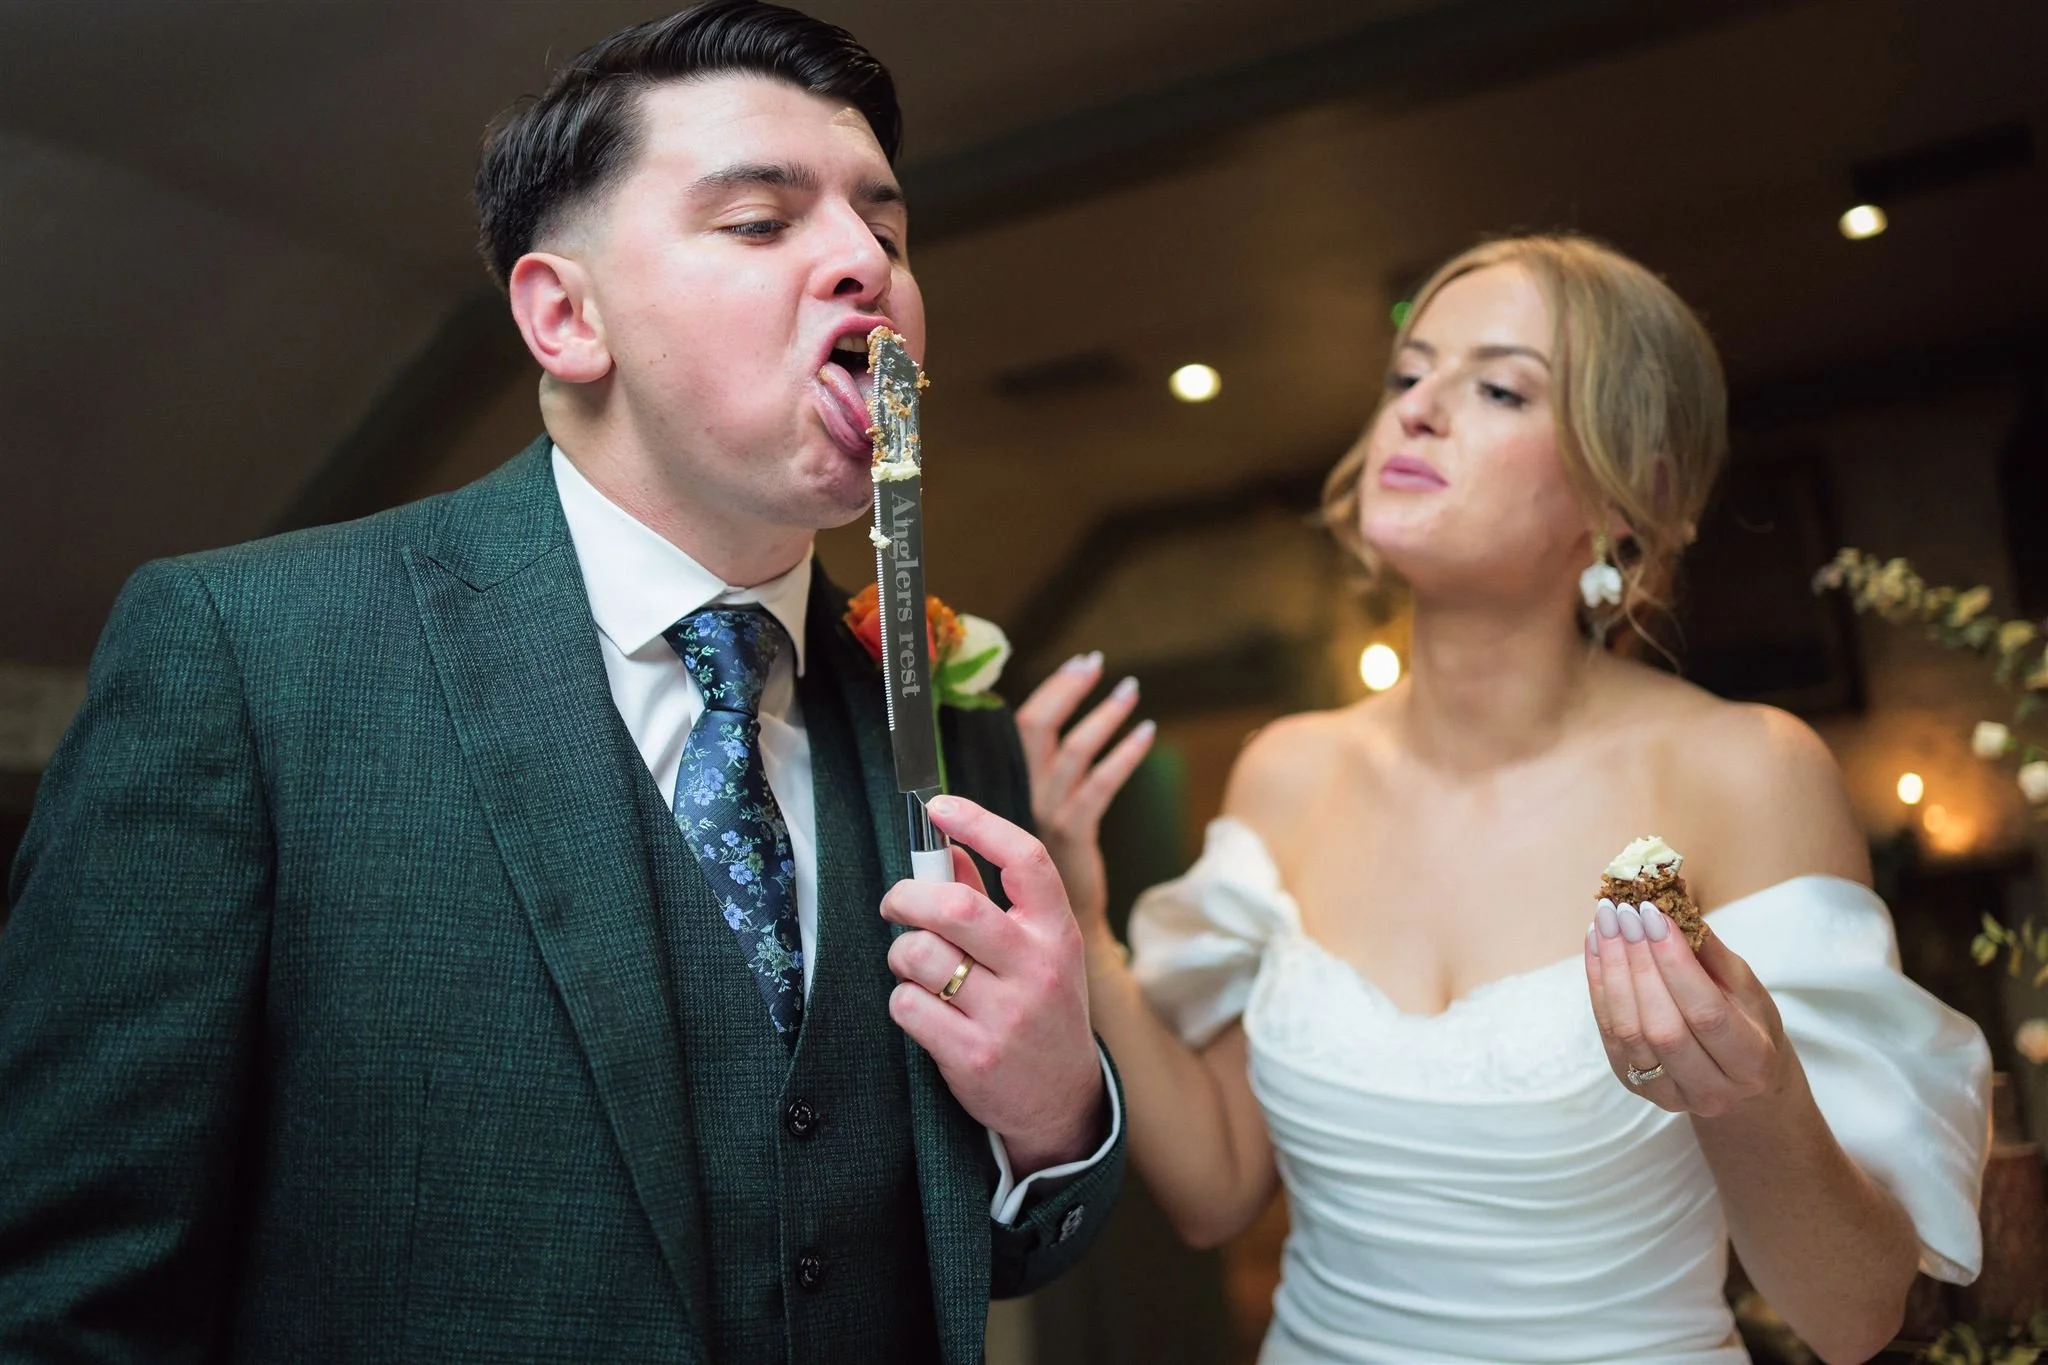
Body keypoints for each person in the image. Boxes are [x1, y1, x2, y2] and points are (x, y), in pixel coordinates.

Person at [0, 5, 1123, 1360]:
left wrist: (1059, 1115)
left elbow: (969, 1245)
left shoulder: (945, 730)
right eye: (763, 222)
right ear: (565, 315)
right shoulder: (248, 657)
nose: (863, 264)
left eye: (884, 231)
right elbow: (63, 1288)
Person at [1022, 234, 1990, 1363]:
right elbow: (1217, 1188)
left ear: (1628, 495)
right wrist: (1082, 931)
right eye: (1406, 374)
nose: (1419, 410)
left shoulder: (1746, 772)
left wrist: (1746, 1089)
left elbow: (1852, 1315)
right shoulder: (1290, 771)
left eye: (1496, 386)